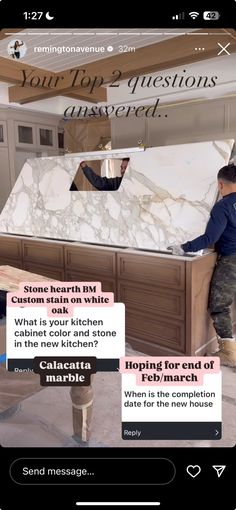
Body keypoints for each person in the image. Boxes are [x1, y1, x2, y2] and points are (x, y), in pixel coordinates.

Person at [168, 163, 236, 367]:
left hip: (232, 260)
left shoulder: (223, 206)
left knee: (219, 305)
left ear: (220, 185)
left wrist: (183, 247)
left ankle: (229, 354)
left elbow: (209, 238)